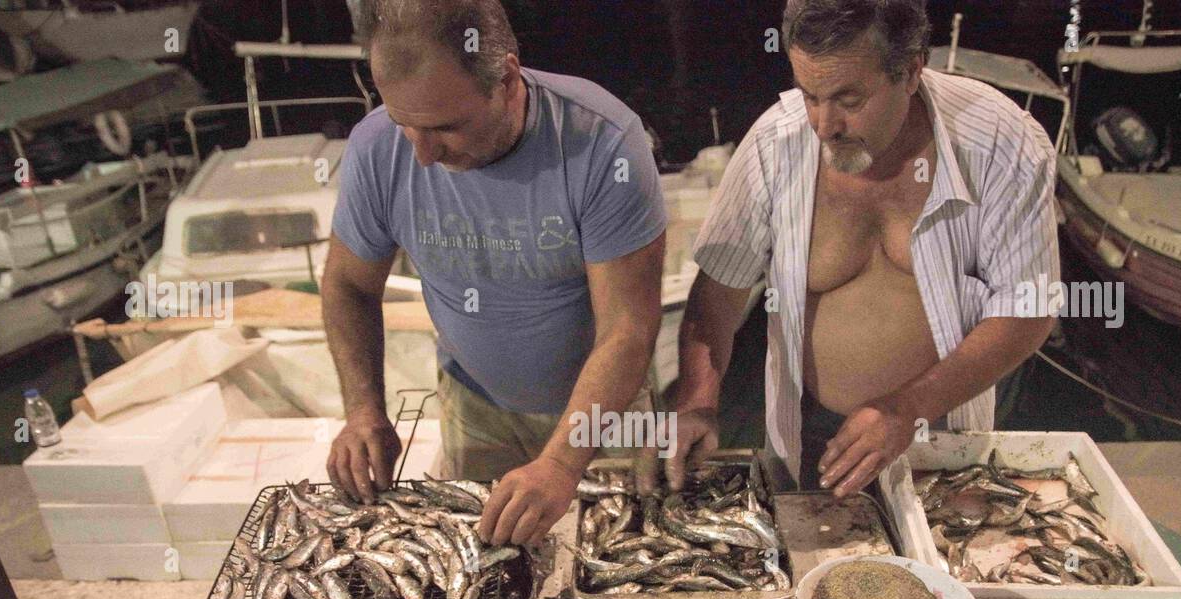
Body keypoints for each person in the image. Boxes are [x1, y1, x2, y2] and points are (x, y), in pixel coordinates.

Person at [640, 0, 1058, 495]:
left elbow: (1028, 309)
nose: (824, 125)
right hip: (811, 433)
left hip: (944, 428)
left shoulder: (1001, 142)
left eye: (849, 100)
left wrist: (908, 408)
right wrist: (696, 402)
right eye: (809, 95)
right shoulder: (774, 144)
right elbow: (719, 293)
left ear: (911, 71)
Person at [325, 0, 667, 546]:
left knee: (620, 554)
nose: (424, 156)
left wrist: (561, 463)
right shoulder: (375, 147)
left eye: (446, 128)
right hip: (475, 406)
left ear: (506, 79)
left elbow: (628, 329)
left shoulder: (603, 142)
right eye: (404, 125)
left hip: (605, 415)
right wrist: (363, 409)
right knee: (483, 563)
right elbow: (348, 286)